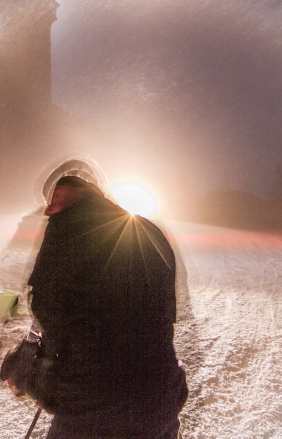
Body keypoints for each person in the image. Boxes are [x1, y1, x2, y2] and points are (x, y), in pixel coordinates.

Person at [24, 174, 187, 439]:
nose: (48, 210)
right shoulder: (146, 229)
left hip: (93, 412)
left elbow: (51, 315)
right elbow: (162, 318)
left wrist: (27, 373)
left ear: (61, 197)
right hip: (160, 397)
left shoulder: (65, 230)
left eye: (51, 202)